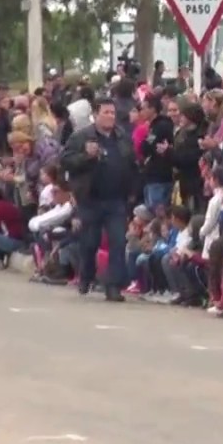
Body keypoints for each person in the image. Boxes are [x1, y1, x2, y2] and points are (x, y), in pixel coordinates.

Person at [60, 98, 138, 302]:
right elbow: (66, 161)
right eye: (106, 112)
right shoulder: (81, 137)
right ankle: (86, 275)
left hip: (116, 200)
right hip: (90, 198)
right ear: (95, 115)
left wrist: (132, 191)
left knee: (118, 242)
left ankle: (113, 287)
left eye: (113, 113)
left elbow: (131, 164)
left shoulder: (122, 137)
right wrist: (86, 156)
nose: (110, 117)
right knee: (90, 241)